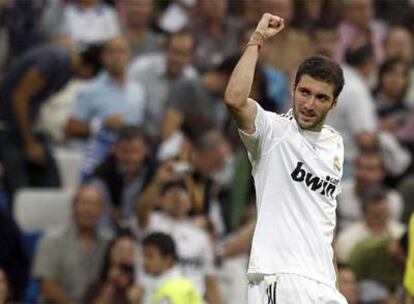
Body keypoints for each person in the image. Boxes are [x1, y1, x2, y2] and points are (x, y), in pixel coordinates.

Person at [225, 13, 347, 303]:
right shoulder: (272, 132)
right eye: (304, 92)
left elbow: (324, 221)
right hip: (278, 277)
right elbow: (234, 99)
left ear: (334, 102)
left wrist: (334, 282)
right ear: (293, 89)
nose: (308, 103)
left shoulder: (336, 145)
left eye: (320, 97)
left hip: (323, 285)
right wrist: (257, 40)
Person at [33, 184, 112, 303]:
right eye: (84, 203)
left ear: (102, 210)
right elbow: (48, 287)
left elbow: (113, 282)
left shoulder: (110, 242)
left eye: (94, 205)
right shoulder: (51, 240)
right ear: (73, 206)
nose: (88, 210)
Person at [141, 232, 202, 304]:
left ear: (168, 259)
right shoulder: (184, 283)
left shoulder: (172, 290)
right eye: (144, 256)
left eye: (150, 256)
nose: (145, 261)